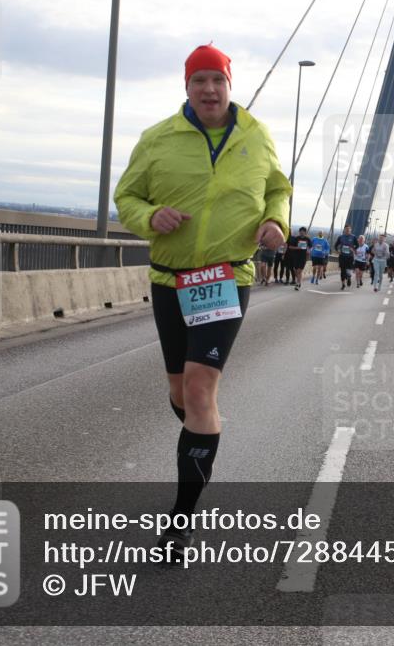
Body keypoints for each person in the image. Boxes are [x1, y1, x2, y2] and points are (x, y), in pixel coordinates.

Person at [114, 44, 290, 557]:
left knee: (197, 387)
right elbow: (126, 196)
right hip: (170, 280)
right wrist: (149, 217)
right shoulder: (157, 140)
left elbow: (278, 188)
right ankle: (202, 437)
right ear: (186, 87)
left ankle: (179, 524)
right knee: (180, 393)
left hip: (225, 275)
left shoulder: (256, 137)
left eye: (218, 80)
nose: (209, 90)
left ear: (230, 85)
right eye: (199, 81)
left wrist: (276, 219)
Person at [333, 224, 356, 290]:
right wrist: (338, 250)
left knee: (348, 271)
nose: (347, 230)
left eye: (349, 229)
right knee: (342, 271)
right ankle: (343, 284)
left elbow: (357, 245)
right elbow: (335, 245)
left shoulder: (353, 237)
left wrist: (353, 249)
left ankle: (349, 277)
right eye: (346, 229)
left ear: (350, 230)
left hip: (350, 257)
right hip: (342, 256)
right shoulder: (341, 237)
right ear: (344, 230)